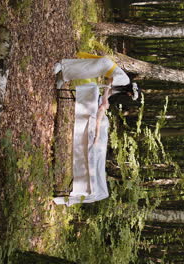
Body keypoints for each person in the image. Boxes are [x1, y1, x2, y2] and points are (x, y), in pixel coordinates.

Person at [52, 53, 140, 206]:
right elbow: (109, 83)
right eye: (130, 94)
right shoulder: (124, 81)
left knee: (84, 70)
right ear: (130, 90)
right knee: (84, 69)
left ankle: (63, 76)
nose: (128, 95)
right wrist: (104, 99)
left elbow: (109, 92)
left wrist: (104, 102)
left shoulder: (121, 90)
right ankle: (62, 66)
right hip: (105, 66)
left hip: (104, 72)